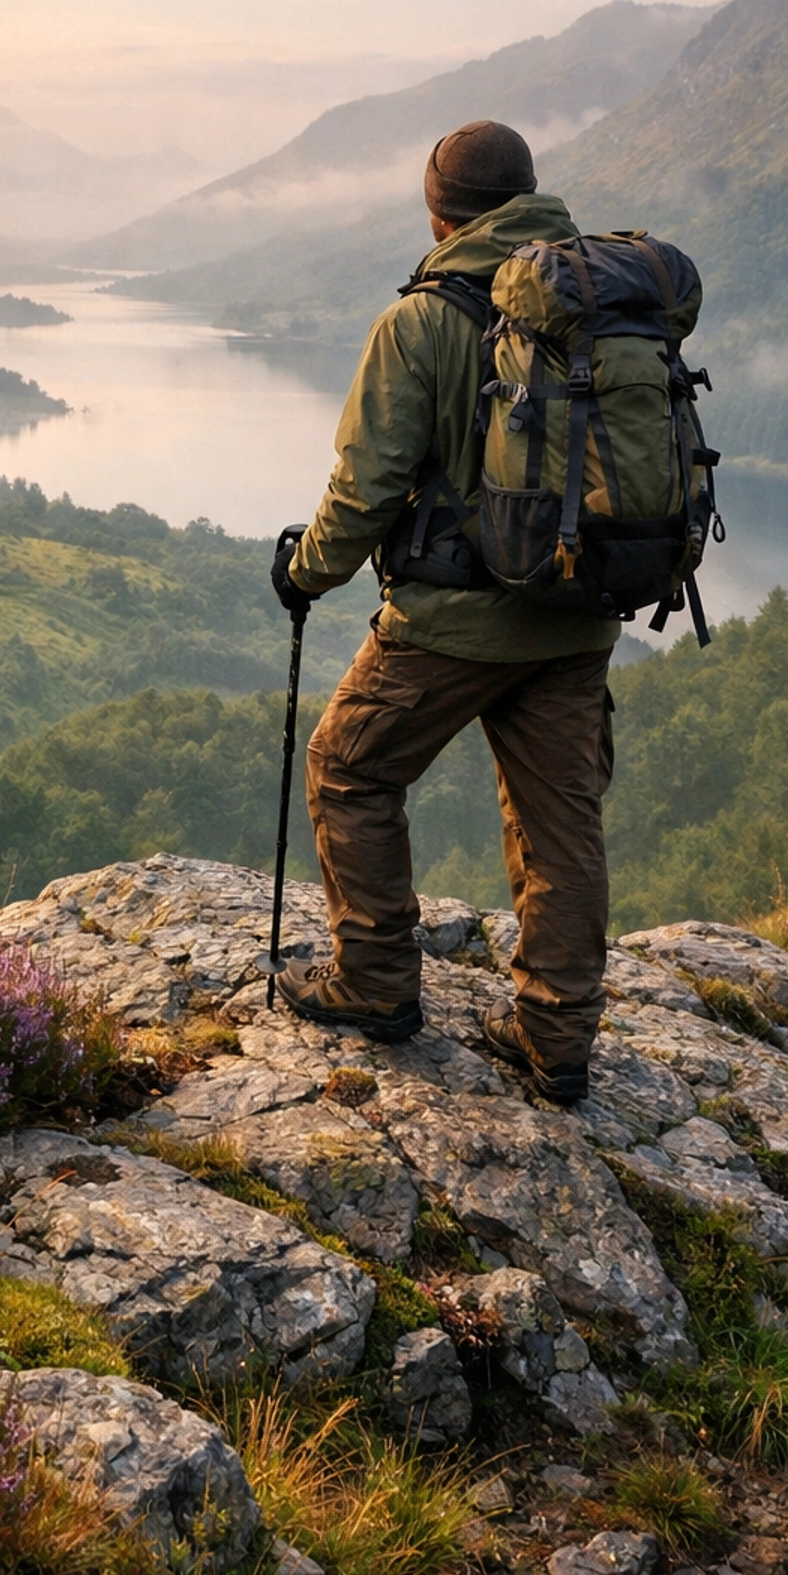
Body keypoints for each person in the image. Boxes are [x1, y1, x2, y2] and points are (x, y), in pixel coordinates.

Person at [269, 119, 617, 1107]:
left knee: (349, 768)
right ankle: (556, 1046)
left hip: (454, 622)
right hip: (579, 610)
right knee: (561, 823)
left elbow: (367, 486)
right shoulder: (594, 302)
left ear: (439, 213)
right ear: (534, 198)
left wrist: (305, 573)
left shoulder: (419, 323)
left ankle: (376, 983)